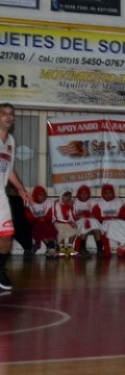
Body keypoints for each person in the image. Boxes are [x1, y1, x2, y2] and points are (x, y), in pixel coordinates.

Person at [0, 103, 32, 288]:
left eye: (11, 114)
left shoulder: (11, 141)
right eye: (4, 113)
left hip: (1, 196)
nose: (8, 117)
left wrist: (20, 188)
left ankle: (0, 271)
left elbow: (9, 170)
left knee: (7, 236)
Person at [93, 184, 125, 257]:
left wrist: (118, 216)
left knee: (124, 224)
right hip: (106, 222)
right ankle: (124, 244)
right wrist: (108, 218)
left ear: (113, 192)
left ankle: (123, 245)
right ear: (103, 193)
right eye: (105, 193)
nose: (108, 195)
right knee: (111, 225)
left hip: (118, 221)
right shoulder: (99, 202)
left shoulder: (118, 200)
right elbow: (96, 215)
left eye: (109, 192)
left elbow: (124, 214)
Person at [25, 185, 59, 259]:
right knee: (39, 227)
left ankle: (50, 248)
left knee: (49, 227)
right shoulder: (30, 202)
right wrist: (39, 219)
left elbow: (49, 215)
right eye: (40, 195)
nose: (42, 197)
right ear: (36, 195)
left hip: (46, 222)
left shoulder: (49, 201)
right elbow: (29, 217)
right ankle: (51, 248)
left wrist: (41, 219)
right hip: (35, 224)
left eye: (44, 194)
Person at [74, 185, 104, 257]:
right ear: (79, 193)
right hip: (79, 221)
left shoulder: (93, 201)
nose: (84, 195)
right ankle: (82, 248)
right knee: (84, 222)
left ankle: (99, 248)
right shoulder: (75, 201)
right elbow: (74, 215)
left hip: (91, 220)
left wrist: (88, 215)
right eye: (82, 193)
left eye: (86, 193)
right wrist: (82, 215)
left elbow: (95, 213)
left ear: (88, 193)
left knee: (95, 223)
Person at [7, 183, 35, 260]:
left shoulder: (19, 199)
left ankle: (28, 248)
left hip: (17, 222)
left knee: (21, 229)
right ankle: (28, 248)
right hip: (12, 222)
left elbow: (22, 213)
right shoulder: (8, 198)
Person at [53, 189, 78, 257]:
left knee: (74, 227)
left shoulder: (72, 203)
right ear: (61, 196)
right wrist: (69, 222)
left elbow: (74, 217)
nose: (68, 198)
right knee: (59, 228)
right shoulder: (57, 203)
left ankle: (70, 247)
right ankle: (61, 248)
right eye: (66, 196)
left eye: (69, 196)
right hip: (57, 222)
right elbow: (58, 218)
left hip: (67, 223)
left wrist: (71, 207)